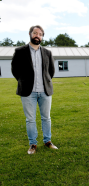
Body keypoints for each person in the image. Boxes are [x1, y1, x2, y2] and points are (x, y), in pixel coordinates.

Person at [11, 25, 57, 154]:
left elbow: (51, 71)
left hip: (45, 91)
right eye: (35, 33)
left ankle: (48, 141)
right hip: (28, 92)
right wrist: (23, 81)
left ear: (42, 36)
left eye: (40, 34)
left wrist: (45, 82)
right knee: (30, 119)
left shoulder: (47, 53)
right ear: (30, 34)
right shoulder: (20, 51)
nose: (38, 35)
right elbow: (15, 70)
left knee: (46, 118)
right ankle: (33, 144)